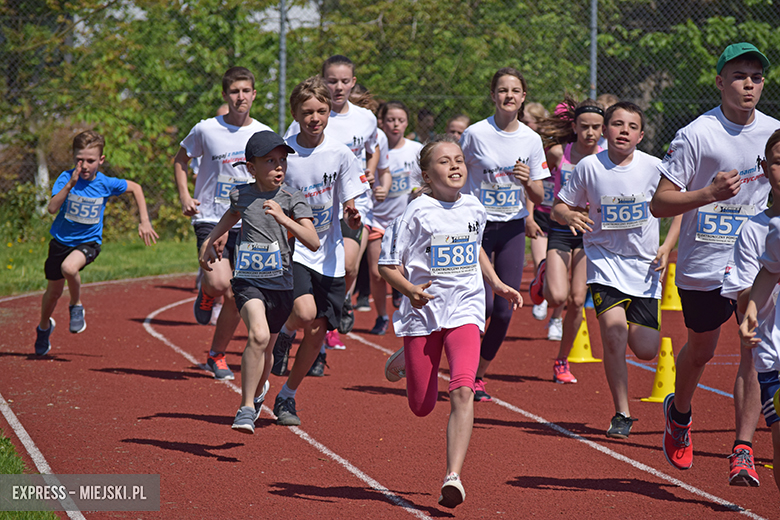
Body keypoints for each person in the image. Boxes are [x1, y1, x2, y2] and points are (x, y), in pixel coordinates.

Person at [650, 42, 778, 480]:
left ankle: (742, 446)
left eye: (756, 77)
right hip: (703, 263)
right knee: (701, 351)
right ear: (721, 81)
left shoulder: (774, 134)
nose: (749, 84)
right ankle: (679, 412)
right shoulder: (696, 135)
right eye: (739, 76)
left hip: (757, 263)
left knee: (751, 350)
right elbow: (659, 204)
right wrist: (707, 194)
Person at [379, 136, 522, 509]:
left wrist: (497, 284)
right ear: (427, 174)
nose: (455, 166)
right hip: (423, 314)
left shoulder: (475, 207)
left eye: (459, 160)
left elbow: (474, 249)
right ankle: (403, 358)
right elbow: (386, 266)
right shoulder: (414, 212)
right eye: (445, 162)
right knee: (422, 405)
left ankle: (453, 476)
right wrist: (410, 289)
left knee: (463, 390)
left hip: (465, 311)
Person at [553, 102, 680, 437]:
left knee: (646, 349)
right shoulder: (589, 167)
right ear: (606, 131)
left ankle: (664, 402)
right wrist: (569, 216)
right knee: (613, 334)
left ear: (640, 134)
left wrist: (667, 247)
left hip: (645, 266)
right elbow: (559, 206)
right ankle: (622, 413)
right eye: (617, 124)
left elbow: (679, 207)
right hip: (603, 261)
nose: (624, 130)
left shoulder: (655, 168)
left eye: (631, 125)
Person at [198, 130, 319, 434]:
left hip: (281, 283)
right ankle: (246, 407)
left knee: (266, 350)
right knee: (259, 335)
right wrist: (212, 239)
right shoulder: (242, 193)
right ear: (251, 168)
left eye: (282, 161)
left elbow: (313, 241)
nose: (279, 167)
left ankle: (259, 386)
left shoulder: (293, 198)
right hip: (248, 280)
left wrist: (284, 218)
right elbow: (232, 214)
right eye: (270, 161)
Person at [269, 76, 367, 425]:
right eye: (307, 112)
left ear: (329, 113)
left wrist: (352, 215)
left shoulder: (340, 154)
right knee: (305, 312)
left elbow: (351, 205)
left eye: (322, 111)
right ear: (295, 113)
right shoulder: (282, 152)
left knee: (318, 331)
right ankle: (283, 334)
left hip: (330, 251)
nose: (315, 118)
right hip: (292, 247)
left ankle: (287, 396)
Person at [283, 56, 389, 371]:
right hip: (311, 211)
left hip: (352, 203)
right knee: (316, 288)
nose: (338, 86)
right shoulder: (304, 119)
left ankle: (338, 307)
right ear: (323, 82)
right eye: (332, 81)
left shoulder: (366, 118)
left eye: (344, 81)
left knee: (349, 264)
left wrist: (368, 173)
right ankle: (320, 349)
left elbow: (374, 148)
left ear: (353, 82)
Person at [174, 66, 272, 381]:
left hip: (248, 224)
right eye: (234, 91)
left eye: (246, 91)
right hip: (211, 218)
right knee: (219, 284)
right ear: (225, 95)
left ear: (254, 94)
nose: (240, 97)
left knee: (234, 295)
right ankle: (206, 292)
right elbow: (180, 159)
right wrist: (184, 197)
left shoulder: (263, 134)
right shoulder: (206, 129)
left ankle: (216, 355)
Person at [460, 67, 549, 402]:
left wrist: (527, 180)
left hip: (512, 226)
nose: (509, 96)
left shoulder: (530, 139)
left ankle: (478, 376)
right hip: (476, 227)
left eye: (515, 90)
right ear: (493, 95)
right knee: (479, 303)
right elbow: (455, 170)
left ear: (523, 97)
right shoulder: (474, 134)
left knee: (503, 308)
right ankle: (461, 367)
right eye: (502, 90)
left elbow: (540, 196)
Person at [35, 130, 158, 355]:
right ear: (73, 158)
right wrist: (69, 185)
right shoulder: (66, 178)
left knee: (69, 268)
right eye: (79, 160)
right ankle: (44, 327)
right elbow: (52, 208)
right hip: (61, 242)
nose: (84, 165)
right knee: (52, 293)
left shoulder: (106, 183)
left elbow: (136, 188)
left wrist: (144, 221)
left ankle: (76, 305)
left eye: (90, 161)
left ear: (100, 160)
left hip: (89, 242)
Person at [529, 98, 604, 382]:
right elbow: (537, 183)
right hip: (560, 227)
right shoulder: (560, 152)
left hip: (590, 233)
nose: (590, 133)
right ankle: (544, 273)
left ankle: (562, 360)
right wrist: (531, 212)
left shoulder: (607, 154)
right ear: (573, 126)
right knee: (556, 296)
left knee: (575, 300)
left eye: (596, 127)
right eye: (584, 126)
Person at [729, 129, 780, 487]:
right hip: (775, 355)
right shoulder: (766, 230)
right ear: (765, 167)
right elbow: (768, 271)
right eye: (779, 161)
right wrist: (749, 313)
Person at [367, 101, 423, 334]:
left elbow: (426, 181)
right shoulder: (373, 148)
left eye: (400, 120)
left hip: (406, 223)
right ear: (381, 122)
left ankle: (405, 299)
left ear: (407, 122)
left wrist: (419, 192)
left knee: (406, 270)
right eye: (390, 120)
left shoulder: (416, 149)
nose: (395, 124)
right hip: (377, 219)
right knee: (375, 272)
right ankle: (381, 316)